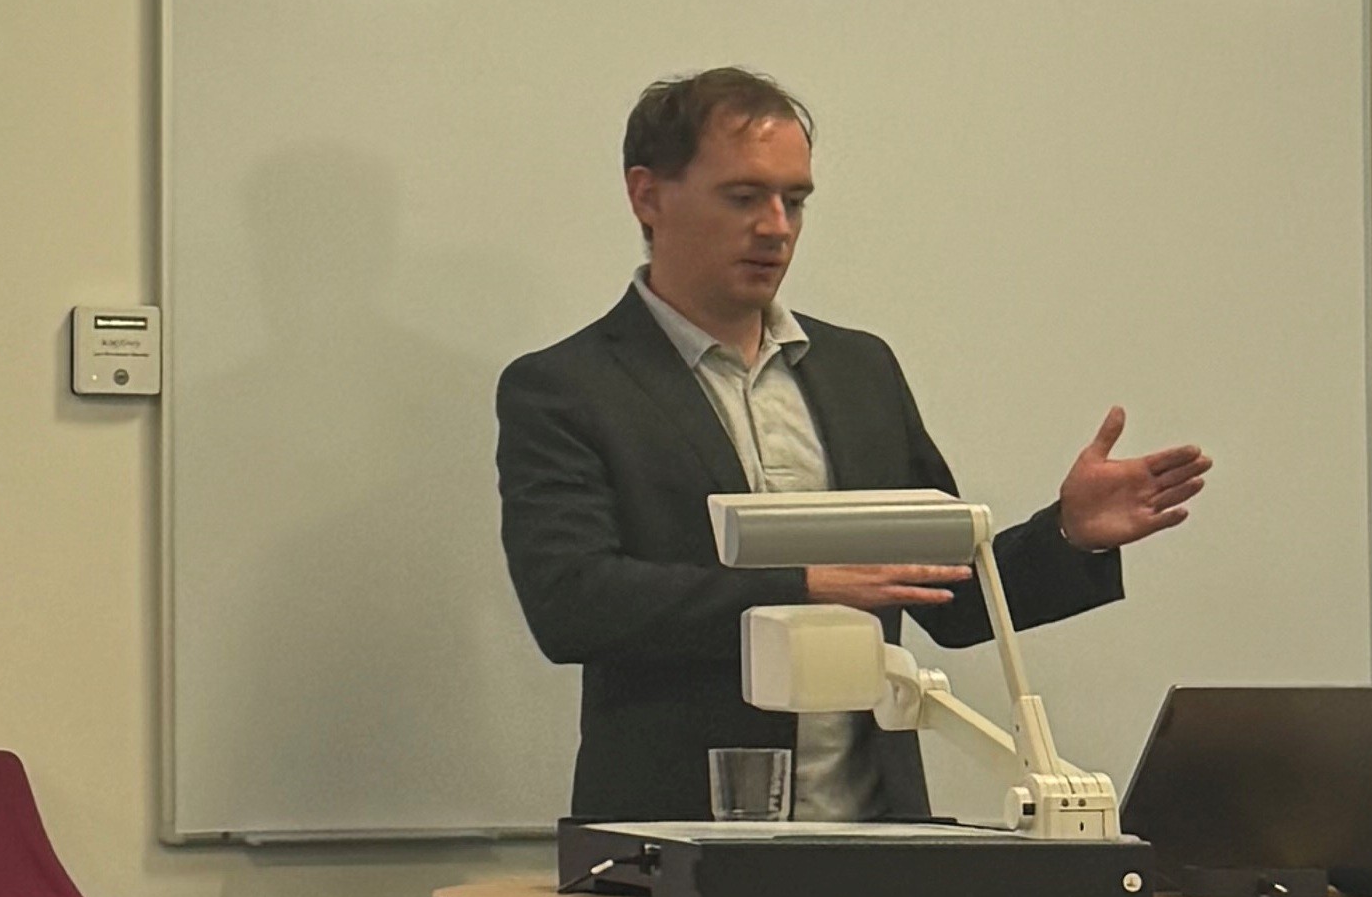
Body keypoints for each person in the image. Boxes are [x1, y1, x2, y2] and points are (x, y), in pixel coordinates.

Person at [494, 64, 1211, 823]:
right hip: (678, 830)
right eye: (743, 197)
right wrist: (805, 586)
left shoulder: (858, 371)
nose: (776, 227)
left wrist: (1070, 534)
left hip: (874, 835)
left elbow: (947, 597)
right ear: (647, 196)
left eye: (795, 200)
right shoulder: (569, 388)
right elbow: (573, 604)